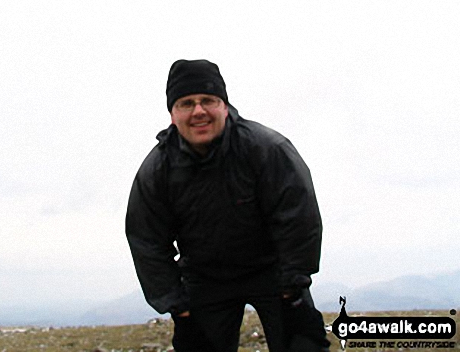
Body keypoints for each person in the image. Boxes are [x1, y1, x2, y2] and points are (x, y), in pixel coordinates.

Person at [125, 59, 330, 352]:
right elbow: (147, 241)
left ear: (224, 106)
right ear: (172, 113)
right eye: (186, 103)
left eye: (208, 100)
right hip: (205, 278)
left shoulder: (267, 150)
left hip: (273, 272)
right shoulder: (158, 170)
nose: (198, 111)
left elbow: (299, 219)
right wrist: (178, 307)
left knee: (304, 344)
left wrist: (293, 287)